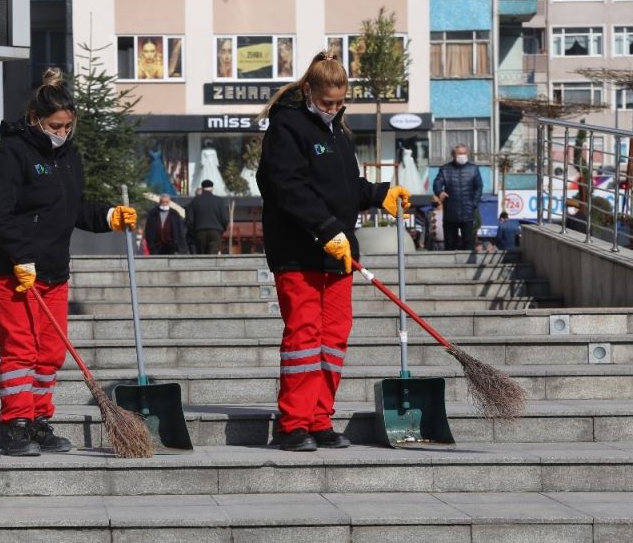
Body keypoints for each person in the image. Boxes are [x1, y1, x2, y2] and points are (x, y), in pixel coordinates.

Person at [255, 51, 410, 452]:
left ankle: (320, 418)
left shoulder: (337, 131)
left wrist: (379, 194)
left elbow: (344, 186)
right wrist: (325, 230)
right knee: (304, 338)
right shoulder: (286, 128)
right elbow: (289, 189)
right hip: (298, 252)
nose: (334, 109)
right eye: (327, 103)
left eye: (340, 103)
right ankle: (293, 424)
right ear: (309, 91)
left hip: (338, 254)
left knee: (333, 337)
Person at [0, 68, 137, 457]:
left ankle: (38, 419)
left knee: (50, 352)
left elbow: (71, 209)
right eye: (55, 125)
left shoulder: (68, 157)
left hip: (53, 271)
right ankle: (15, 424)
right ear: (35, 118)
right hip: (11, 271)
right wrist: (20, 256)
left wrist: (108, 217)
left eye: (67, 126)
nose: (62, 132)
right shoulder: (10, 153)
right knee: (20, 348)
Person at [433, 144, 483, 250]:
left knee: (468, 243)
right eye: (460, 153)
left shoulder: (473, 169)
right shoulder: (445, 169)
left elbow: (479, 187)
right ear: (453, 155)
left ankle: (468, 267)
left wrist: (474, 203)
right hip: (450, 211)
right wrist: (439, 192)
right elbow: (437, 183)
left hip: (468, 212)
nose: (462, 156)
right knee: (450, 244)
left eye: (464, 153)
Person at [185, 180, 229, 254]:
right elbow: (224, 219)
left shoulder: (195, 201)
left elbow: (189, 220)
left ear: (202, 188)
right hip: (215, 231)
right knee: (212, 257)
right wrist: (222, 229)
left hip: (199, 232)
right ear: (212, 188)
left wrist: (194, 231)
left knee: (202, 256)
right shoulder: (219, 201)